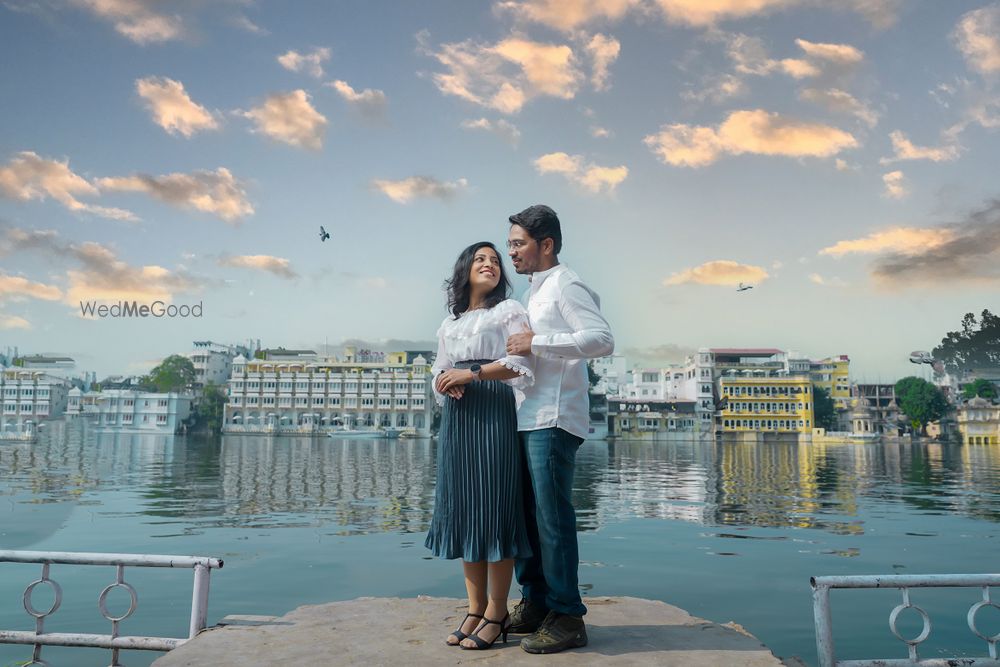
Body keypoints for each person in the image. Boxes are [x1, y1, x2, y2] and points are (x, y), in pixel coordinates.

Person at [504, 204, 615, 654]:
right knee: (527, 518)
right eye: (509, 243)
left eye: (518, 244)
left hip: (553, 419)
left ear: (545, 245)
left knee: (552, 519)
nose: (510, 251)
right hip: (527, 417)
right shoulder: (534, 291)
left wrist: (537, 341)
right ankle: (535, 604)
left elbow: (602, 340)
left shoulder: (566, 284)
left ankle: (568, 616)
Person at [425, 241, 536, 650]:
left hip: (493, 410)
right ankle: (474, 609)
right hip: (458, 419)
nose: (489, 264)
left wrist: (469, 375)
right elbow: (439, 368)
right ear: (465, 270)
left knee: (494, 509)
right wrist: (444, 382)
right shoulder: (448, 324)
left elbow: (521, 364)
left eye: (495, 260)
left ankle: (498, 611)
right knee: (467, 509)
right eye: (480, 259)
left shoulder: (508, 311)